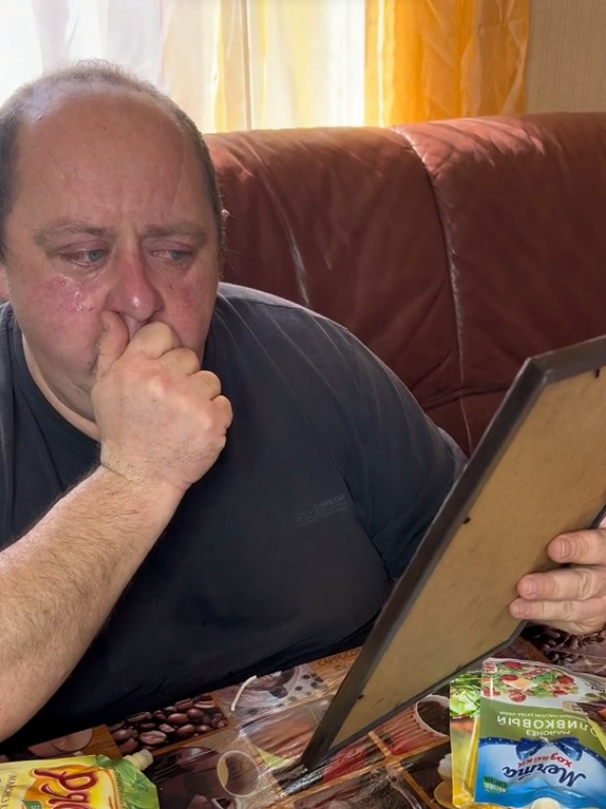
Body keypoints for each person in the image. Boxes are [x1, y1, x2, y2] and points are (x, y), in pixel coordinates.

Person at [0, 62, 603, 752]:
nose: (139, 298)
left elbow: (472, 567)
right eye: (84, 254)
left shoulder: (316, 360)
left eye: (175, 251)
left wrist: (567, 578)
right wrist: (134, 477)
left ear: (221, 249)